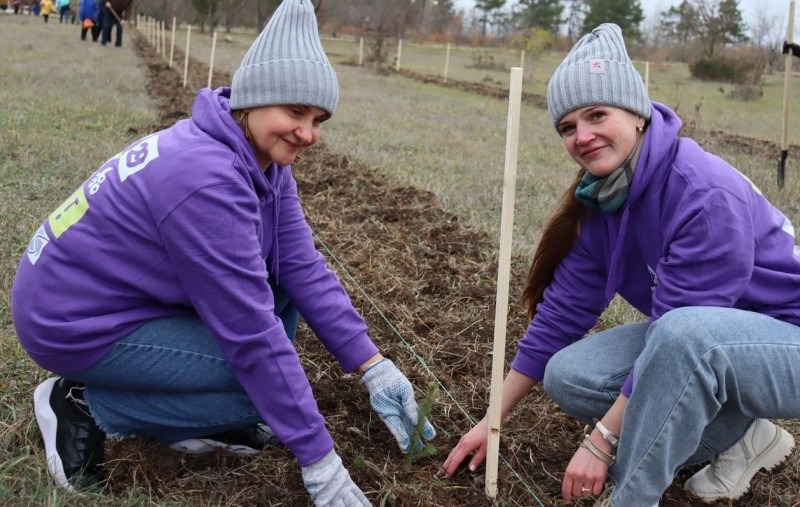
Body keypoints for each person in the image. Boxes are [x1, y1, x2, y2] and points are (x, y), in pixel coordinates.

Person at [12, 0, 435, 503]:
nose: (309, 133)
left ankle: (209, 411)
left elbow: (300, 266)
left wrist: (372, 365)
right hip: (71, 319)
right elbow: (251, 335)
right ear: (254, 100)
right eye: (295, 112)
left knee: (277, 324)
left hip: (117, 298)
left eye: (319, 118)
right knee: (257, 386)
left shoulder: (261, 161)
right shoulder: (205, 179)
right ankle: (83, 404)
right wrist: (322, 464)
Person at [439, 23, 800, 507]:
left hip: (785, 344)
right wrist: (492, 422)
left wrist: (602, 440)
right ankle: (744, 437)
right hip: (714, 343)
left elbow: (681, 342)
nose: (582, 136)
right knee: (569, 373)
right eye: (568, 127)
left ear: (637, 114)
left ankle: (631, 498)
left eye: (596, 115)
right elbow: (561, 317)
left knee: (678, 337)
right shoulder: (603, 201)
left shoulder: (702, 194)